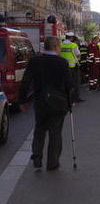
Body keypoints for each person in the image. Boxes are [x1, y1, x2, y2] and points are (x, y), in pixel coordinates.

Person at [19, 36, 73, 171]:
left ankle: (37, 157)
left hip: (41, 102)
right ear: (56, 47)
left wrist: (22, 100)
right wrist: (70, 101)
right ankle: (52, 163)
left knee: (39, 130)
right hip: (59, 103)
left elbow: (26, 81)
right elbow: (69, 85)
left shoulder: (35, 61)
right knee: (55, 133)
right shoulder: (62, 62)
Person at [60, 32, 84, 102]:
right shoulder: (73, 45)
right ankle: (75, 98)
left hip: (63, 66)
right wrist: (78, 60)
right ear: (71, 38)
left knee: (65, 83)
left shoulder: (60, 45)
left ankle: (65, 98)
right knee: (75, 83)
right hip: (73, 67)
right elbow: (78, 55)